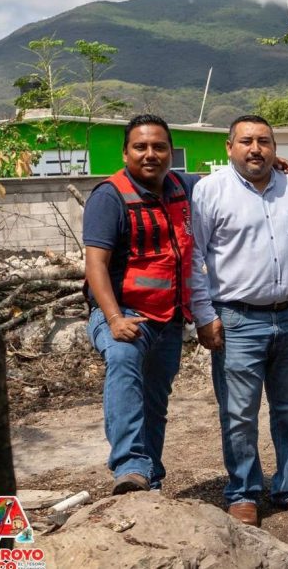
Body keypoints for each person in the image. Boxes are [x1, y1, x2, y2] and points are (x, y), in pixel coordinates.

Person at [190, 115, 288, 527]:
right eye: (247, 141)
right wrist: (203, 316)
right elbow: (192, 259)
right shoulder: (209, 191)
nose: (256, 149)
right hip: (236, 321)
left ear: (275, 147)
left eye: (264, 141)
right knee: (239, 414)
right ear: (229, 146)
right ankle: (243, 492)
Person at [83, 114, 198, 495]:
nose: (151, 154)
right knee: (123, 359)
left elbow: (228, 180)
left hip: (167, 318)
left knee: (154, 401)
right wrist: (114, 318)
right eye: (141, 147)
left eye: (159, 147)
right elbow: (95, 263)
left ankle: (149, 479)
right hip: (122, 313)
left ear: (170, 151)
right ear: (126, 152)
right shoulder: (109, 197)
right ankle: (129, 466)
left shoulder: (182, 185)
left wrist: (274, 165)